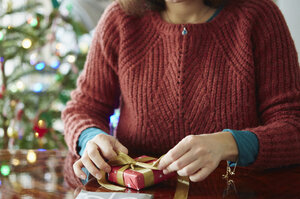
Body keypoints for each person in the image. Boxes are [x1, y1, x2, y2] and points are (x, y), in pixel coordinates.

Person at [62, 0, 300, 185]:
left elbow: (293, 125)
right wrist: (89, 138)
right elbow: (83, 109)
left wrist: (230, 144)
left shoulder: (259, 17)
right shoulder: (120, 20)